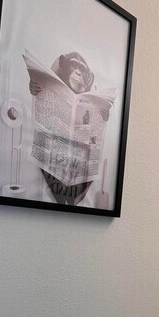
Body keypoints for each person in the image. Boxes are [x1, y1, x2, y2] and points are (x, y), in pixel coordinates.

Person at [29, 52, 111, 205]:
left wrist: (103, 116)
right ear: (63, 64)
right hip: (54, 157)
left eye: (82, 69)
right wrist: (35, 89)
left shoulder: (91, 91)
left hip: (78, 159)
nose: (78, 73)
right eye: (74, 65)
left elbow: (96, 133)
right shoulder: (55, 79)